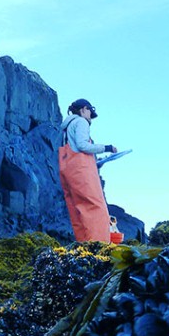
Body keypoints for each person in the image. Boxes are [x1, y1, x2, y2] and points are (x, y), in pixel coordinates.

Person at [58, 99, 117, 243]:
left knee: (77, 209)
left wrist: (97, 163)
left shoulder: (66, 128)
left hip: (67, 170)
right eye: (91, 112)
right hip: (81, 172)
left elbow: (74, 149)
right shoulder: (81, 122)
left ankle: (84, 245)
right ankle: (100, 246)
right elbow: (83, 145)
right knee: (95, 207)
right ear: (84, 109)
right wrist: (107, 147)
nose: (91, 117)